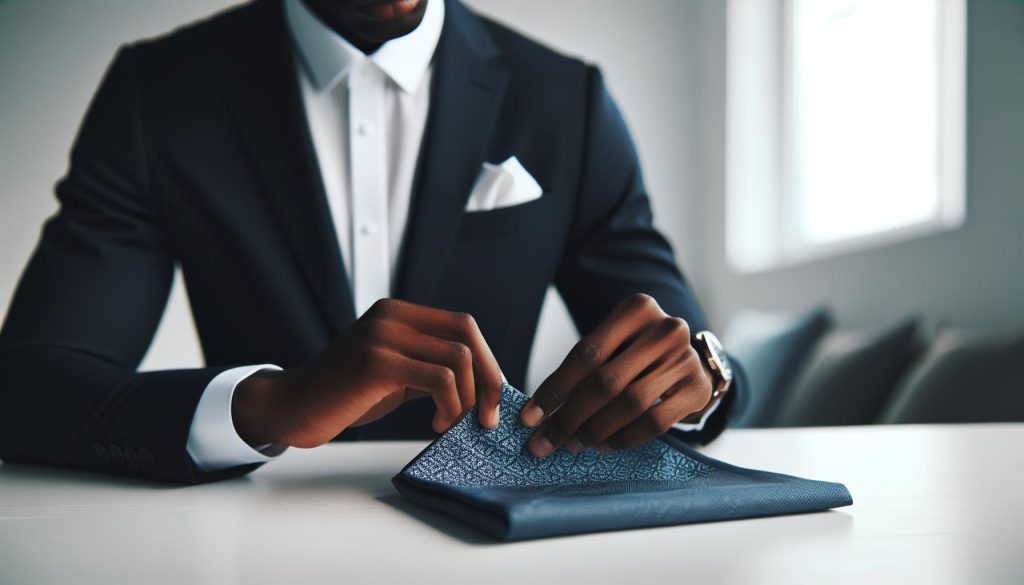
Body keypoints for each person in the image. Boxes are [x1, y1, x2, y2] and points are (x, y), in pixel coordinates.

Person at [0, 0, 746, 483]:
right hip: (247, 548)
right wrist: (268, 404)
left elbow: (684, 339)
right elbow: (27, 390)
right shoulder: (157, 92)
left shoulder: (566, 100)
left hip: (489, 551)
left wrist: (698, 375)